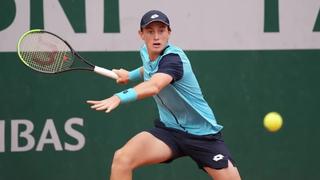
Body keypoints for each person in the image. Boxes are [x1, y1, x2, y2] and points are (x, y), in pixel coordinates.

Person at [87, 10, 241, 180]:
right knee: (122, 158)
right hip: (169, 131)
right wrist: (130, 75)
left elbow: (154, 86)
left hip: (202, 136)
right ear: (141, 34)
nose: (156, 37)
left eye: (161, 30)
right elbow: (150, 68)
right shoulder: (146, 52)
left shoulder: (173, 59)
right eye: (150, 31)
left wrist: (119, 97)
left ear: (169, 33)